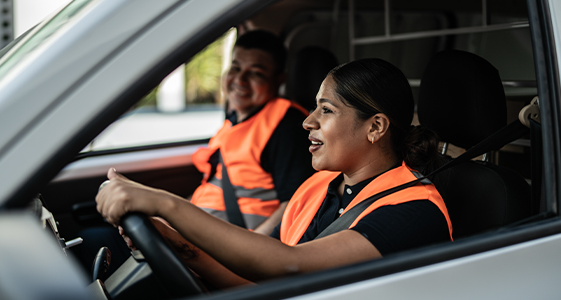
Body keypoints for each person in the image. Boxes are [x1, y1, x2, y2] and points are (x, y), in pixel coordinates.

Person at [96, 58, 453, 288]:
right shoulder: (319, 187)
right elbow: (262, 282)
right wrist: (176, 243)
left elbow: (290, 266)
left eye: (325, 110)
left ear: (375, 127)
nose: (307, 121)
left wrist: (166, 204)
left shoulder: (414, 212)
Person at [189, 30, 315, 234]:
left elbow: (294, 203)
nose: (240, 80)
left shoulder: (286, 125)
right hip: (201, 230)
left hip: (231, 245)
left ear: (279, 80)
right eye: (235, 68)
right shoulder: (234, 120)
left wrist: (253, 250)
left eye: (255, 73)